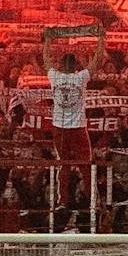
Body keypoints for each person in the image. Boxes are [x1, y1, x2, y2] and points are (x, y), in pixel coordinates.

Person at [45, 40, 103, 210]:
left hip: (60, 127)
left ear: (61, 65)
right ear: (76, 65)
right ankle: (93, 200)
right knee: (85, 165)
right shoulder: (80, 77)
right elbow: (97, 61)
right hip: (77, 127)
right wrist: (101, 41)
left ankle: (63, 201)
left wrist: (46, 43)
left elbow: (45, 60)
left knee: (64, 164)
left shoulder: (55, 76)